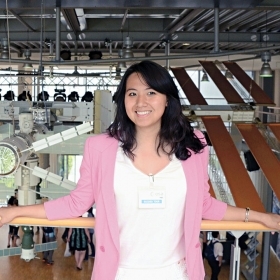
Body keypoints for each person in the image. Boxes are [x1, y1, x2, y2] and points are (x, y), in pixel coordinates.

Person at [0, 60, 280, 280]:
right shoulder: (100, 148)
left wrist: (259, 218)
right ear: (123, 100)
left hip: (177, 273)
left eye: (151, 93)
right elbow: (76, 203)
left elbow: (205, 205)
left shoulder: (194, 147)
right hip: (119, 273)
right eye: (132, 93)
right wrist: (14, 211)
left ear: (167, 99)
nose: (141, 102)